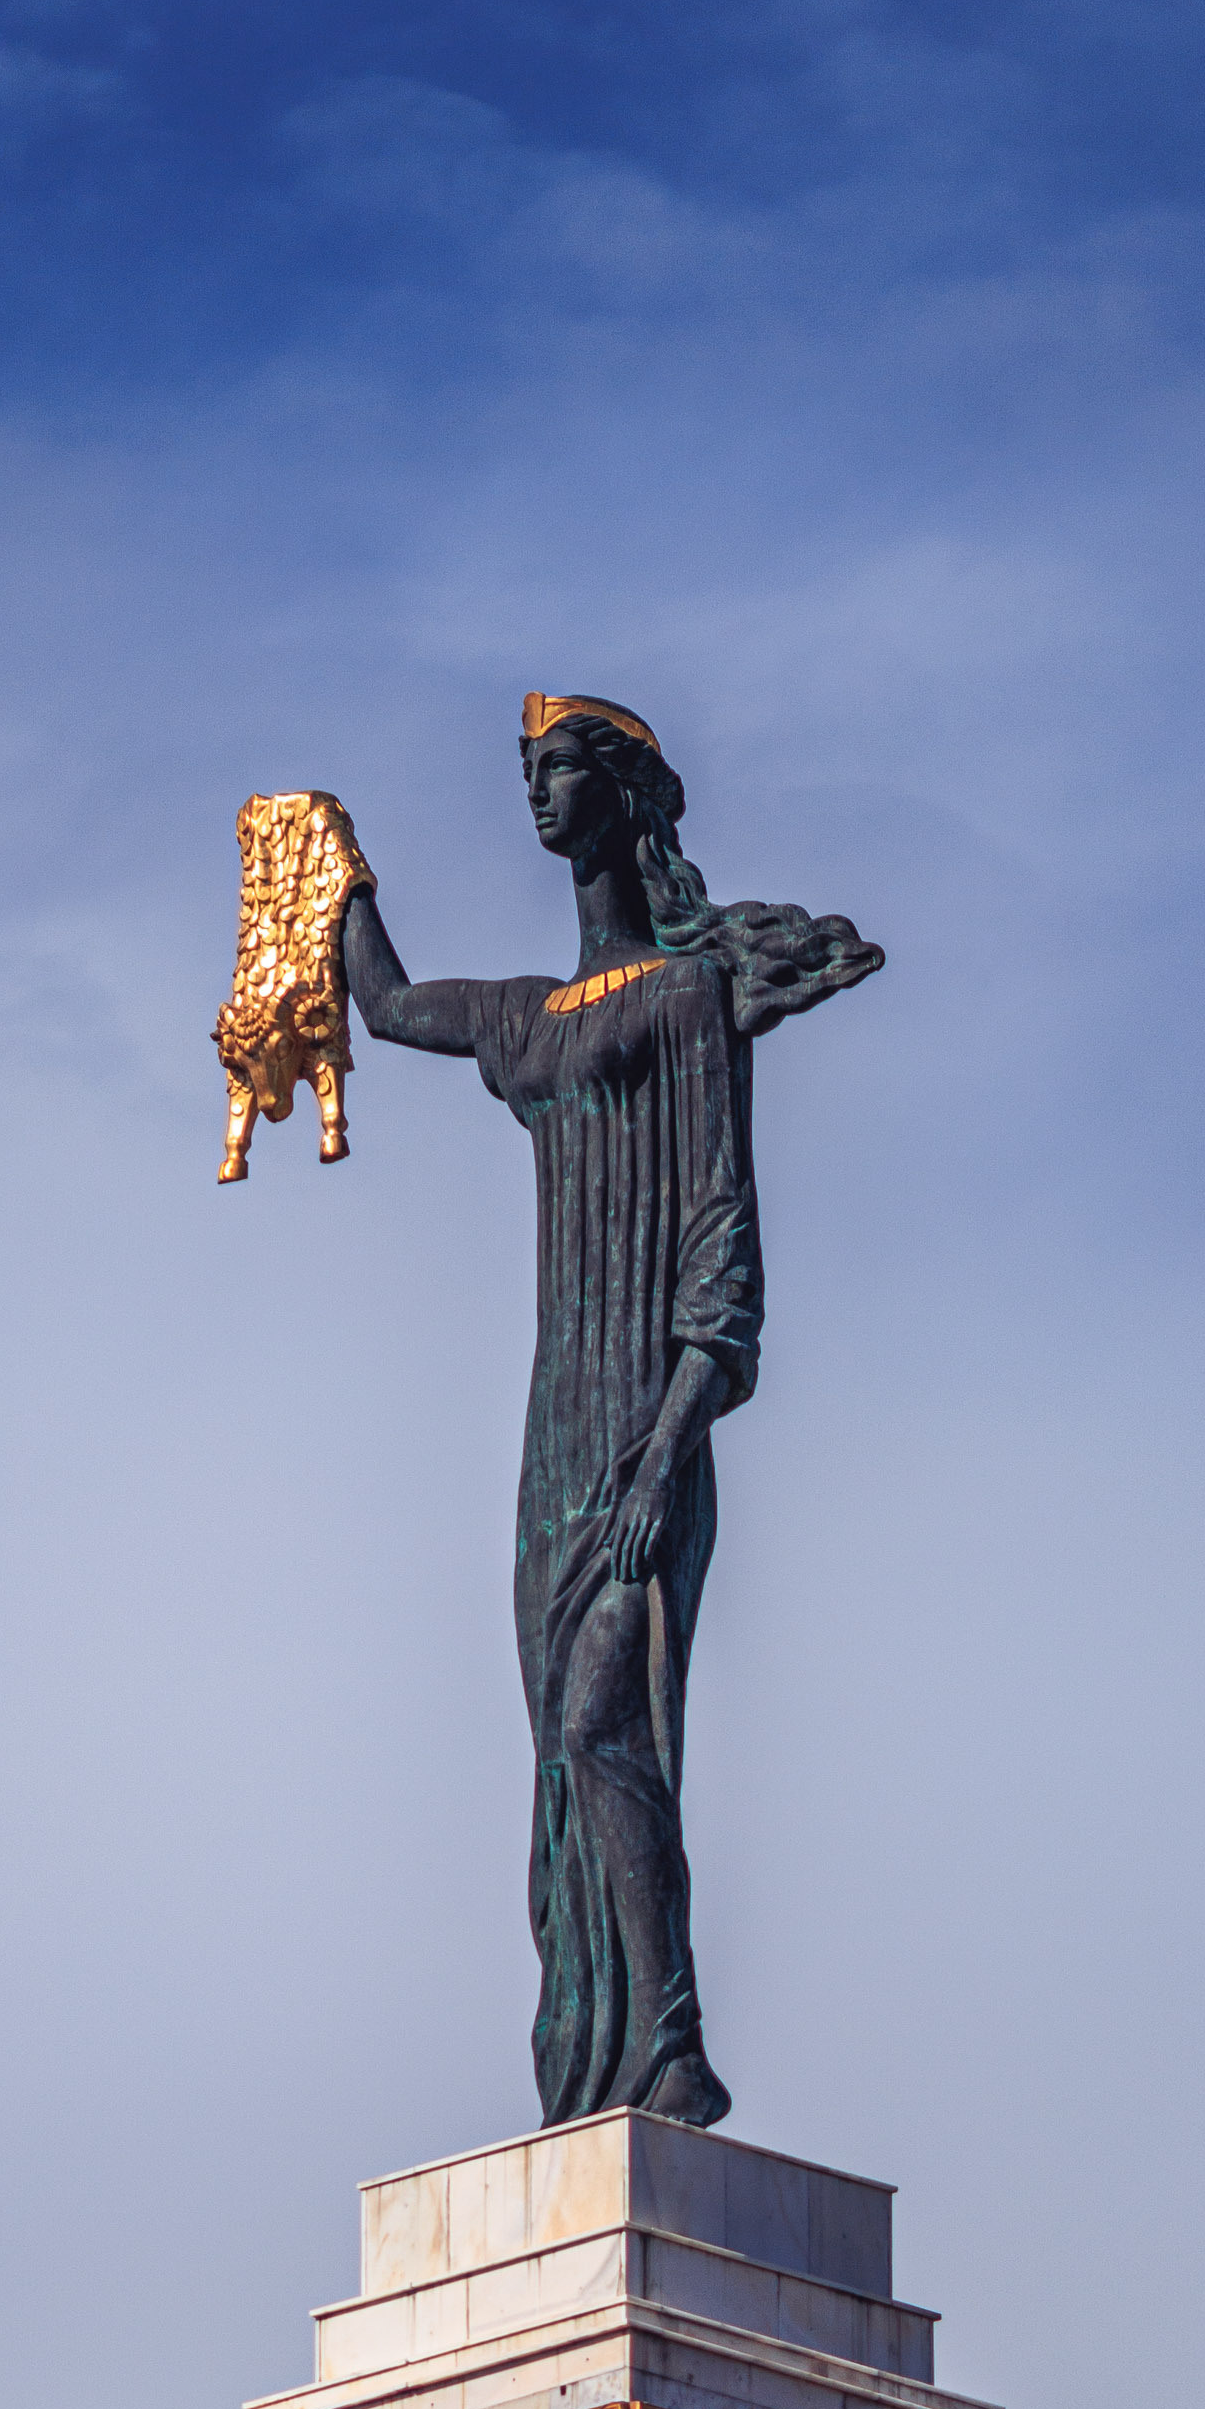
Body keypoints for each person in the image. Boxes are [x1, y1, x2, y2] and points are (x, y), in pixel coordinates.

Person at [342, 692, 881, 2129]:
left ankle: (675, 2050)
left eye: (563, 766)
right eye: (528, 771)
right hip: (555, 1443)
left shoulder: (684, 999)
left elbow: (724, 1245)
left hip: (648, 1425)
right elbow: (392, 1009)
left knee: (604, 1728)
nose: (538, 791)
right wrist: (331, 868)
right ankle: (591, 2066)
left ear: (627, 792)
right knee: (557, 1764)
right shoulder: (531, 1019)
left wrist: (673, 1439)